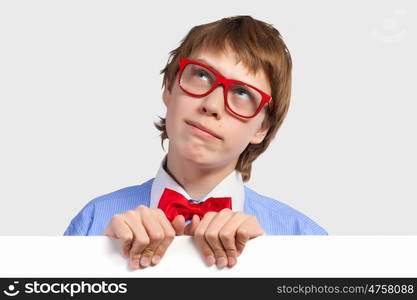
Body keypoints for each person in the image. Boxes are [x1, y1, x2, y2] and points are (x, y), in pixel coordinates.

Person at [64, 15, 327, 270]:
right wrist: (97, 266)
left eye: (242, 92)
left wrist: (271, 271)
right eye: (201, 75)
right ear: (169, 87)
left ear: (263, 127)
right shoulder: (94, 222)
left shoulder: (306, 240)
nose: (212, 105)